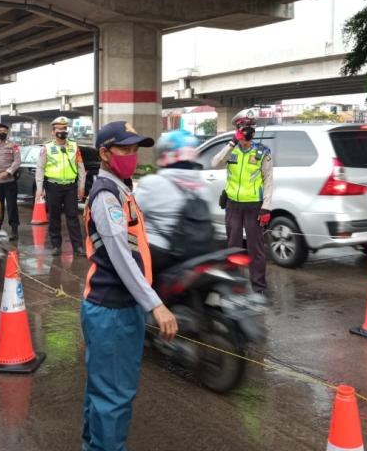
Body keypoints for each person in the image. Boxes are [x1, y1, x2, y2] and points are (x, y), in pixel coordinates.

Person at [81, 120, 177, 451]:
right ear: (105, 153)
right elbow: (121, 257)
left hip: (115, 308)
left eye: (136, 149)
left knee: (103, 392)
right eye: (125, 149)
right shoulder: (107, 196)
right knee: (114, 398)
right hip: (112, 310)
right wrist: (156, 304)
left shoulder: (121, 187)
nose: (132, 155)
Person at [134, 129, 215, 272]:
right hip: (197, 254)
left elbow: (129, 214)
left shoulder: (152, 183)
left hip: (162, 256)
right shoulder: (201, 186)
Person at [211, 110, 273, 292]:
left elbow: (269, 179)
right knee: (233, 247)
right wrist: (232, 142)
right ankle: (234, 286)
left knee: (256, 249)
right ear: (237, 129)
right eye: (244, 127)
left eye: (251, 127)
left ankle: (259, 288)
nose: (247, 131)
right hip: (233, 205)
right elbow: (215, 162)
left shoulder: (262, 152)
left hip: (254, 206)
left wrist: (266, 207)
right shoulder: (231, 150)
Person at [35, 116, 86, 255]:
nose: (62, 131)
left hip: (70, 187)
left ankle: (78, 247)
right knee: (54, 217)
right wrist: (40, 189)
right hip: (53, 187)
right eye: (59, 129)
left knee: (73, 217)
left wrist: (81, 186)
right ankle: (56, 245)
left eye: (64, 128)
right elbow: (40, 168)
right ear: (53, 131)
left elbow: (81, 167)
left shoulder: (74, 147)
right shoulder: (47, 148)